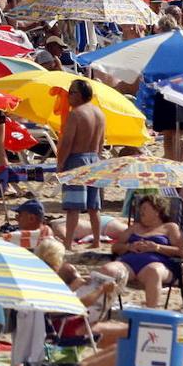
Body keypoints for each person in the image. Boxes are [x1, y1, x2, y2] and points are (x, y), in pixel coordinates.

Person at [98, 195, 183, 309]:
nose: (140, 212)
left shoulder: (170, 227)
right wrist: (129, 247)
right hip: (128, 265)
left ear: (157, 210)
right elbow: (115, 248)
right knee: (107, 269)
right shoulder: (135, 227)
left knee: (153, 271)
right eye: (140, 209)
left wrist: (157, 247)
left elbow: (181, 252)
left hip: (159, 266)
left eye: (144, 208)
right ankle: (100, 309)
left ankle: (151, 311)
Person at [58, 79, 105, 249]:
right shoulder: (100, 114)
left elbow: (67, 142)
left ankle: (68, 242)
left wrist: (60, 163)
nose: (68, 95)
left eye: (72, 92)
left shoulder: (76, 114)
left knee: (73, 207)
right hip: (94, 159)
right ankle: (97, 240)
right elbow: (101, 143)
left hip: (77, 160)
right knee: (94, 206)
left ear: (81, 95)